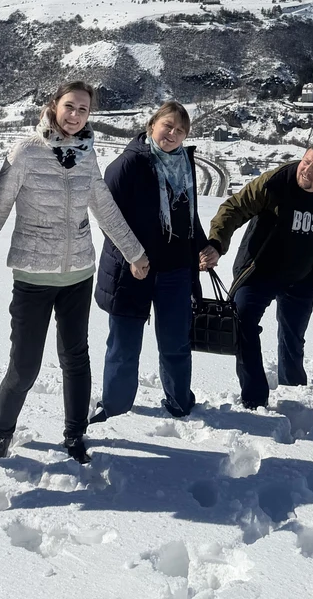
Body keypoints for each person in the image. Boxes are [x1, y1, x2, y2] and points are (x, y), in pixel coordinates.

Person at [0, 80, 149, 464]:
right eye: (70, 107)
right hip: (33, 276)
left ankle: (75, 434)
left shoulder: (87, 154)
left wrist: (135, 253)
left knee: (75, 358)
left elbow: (104, 208)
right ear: (53, 106)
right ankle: (1, 433)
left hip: (77, 273)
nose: (75, 116)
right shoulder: (26, 151)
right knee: (24, 364)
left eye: (83, 110)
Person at [200, 142, 313, 409]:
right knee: (243, 324)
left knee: (293, 337)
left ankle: (293, 394)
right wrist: (216, 243)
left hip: (302, 275)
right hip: (260, 270)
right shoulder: (275, 182)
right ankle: (255, 399)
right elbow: (235, 207)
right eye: (306, 161)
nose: (307, 170)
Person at [91, 102, 208, 421]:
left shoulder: (184, 163)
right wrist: (132, 255)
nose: (172, 134)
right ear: (151, 124)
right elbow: (106, 217)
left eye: (180, 130)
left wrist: (203, 246)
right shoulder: (128, 164)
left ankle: (180, 401)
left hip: (175, 270)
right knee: (124, 345)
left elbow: (188, 215)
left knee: (176, 342)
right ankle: (113, 407)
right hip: (132, 271)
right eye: (167, 126)